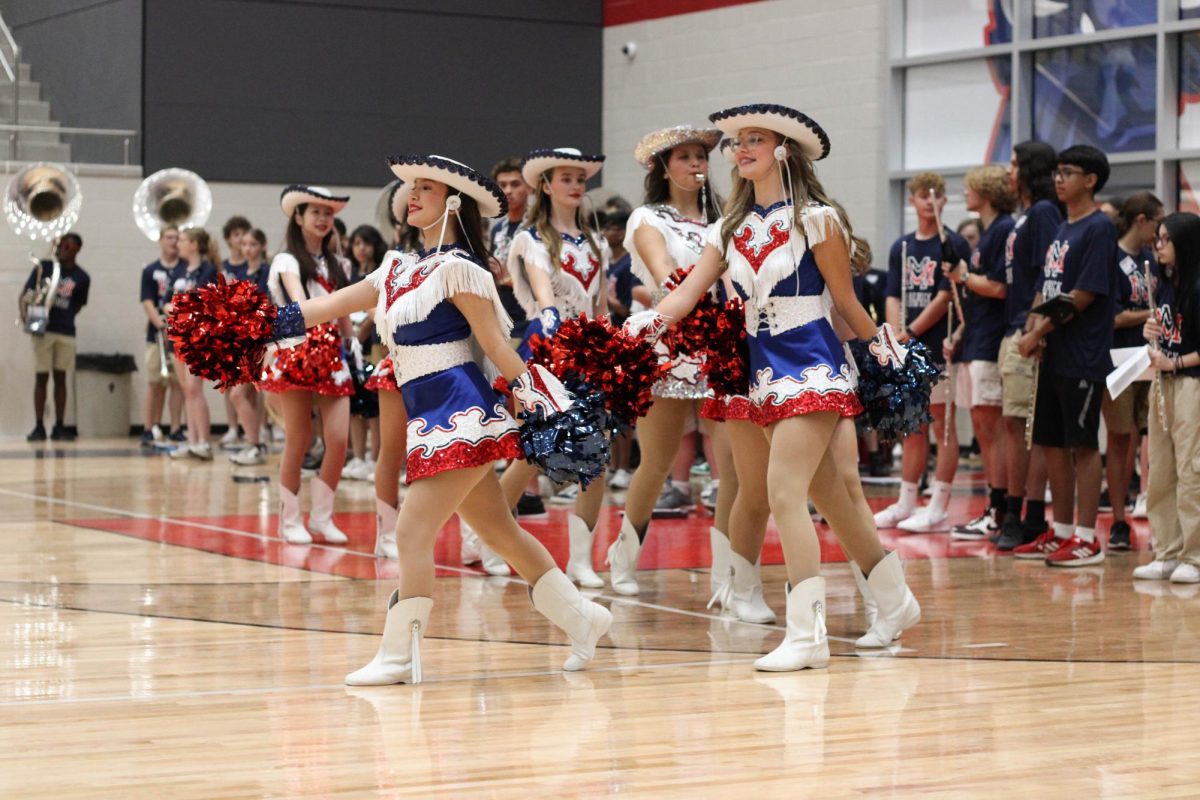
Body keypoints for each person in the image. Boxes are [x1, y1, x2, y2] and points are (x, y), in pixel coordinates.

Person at [268, 154, 611, 684]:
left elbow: (496, 345)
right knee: (499, 531)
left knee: (411, 531)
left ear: (453, 202)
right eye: (411, 188)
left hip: (461, 410)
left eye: (425, 188)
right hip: (427, 412)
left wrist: (546, 402)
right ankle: (583, 618)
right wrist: (258, 326)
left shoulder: (461, 269)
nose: (412, 196)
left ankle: (400, 655)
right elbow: (328, 306)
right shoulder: (395, 268)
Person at [635, 103, 921, 670]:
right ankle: (894, 600)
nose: (739, 151)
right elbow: (687, 292)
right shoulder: (730, 226)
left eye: (754, 141)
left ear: (783, 151)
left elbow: (844, 300)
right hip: (756, 367)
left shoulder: (817, 218)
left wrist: (887, 356)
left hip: (812, 360)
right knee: (831, 499)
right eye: (737, 143)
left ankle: (807, 635)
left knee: (784, 493)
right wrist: (638, 330)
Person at [496, 147, 610, 586]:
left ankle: (581, 558)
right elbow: (543, 288)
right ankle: (484, 535)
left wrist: (611, 347)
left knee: (597, 450)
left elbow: (600, 307)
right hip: (546, 346)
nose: (576, 185)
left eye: (580, 178)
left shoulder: (596, 242)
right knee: (533, 453)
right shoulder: (530, 239)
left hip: (590, 352)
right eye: (566, 178)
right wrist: (550, 314)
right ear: (545, 185)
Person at [1017, 145, 1117, 567]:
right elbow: (1048, 284)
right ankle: (1058, 532)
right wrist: (1031, 328)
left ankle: (1088, 537)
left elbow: (1082, 295)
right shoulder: (1062, 227)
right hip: (1053, 352)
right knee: (1051, 444)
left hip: (1082, 354)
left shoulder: (1099, 228)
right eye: (1056, 172)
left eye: (1068, 172)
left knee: (1082, 445)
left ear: (1090, 180)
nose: (1059, 179)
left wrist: (1039, 329)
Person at [259, 185, 355, 545]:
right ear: (298, 217)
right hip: (296, 350)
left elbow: (344, 316)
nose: (322, 219)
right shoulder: (286, 260)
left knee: (339, 439)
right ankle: (289, 520)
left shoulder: (339, 264)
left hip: (332, 353)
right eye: (315, 212)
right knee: (298, 438)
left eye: (328, 213)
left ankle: (323, 517)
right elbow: (301, 306)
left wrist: (354, 339)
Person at [873, 173, 967, 532]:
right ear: (911, 201)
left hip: (937, 346)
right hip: (908, 348)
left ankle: (939, 506)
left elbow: (945, 297)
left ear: (944, 201)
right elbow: (893, 293)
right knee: (911, 426)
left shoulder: (952, 243)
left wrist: (911, 332)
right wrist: (897, 334)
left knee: (942, 426)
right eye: (923, 196)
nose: (930, 202)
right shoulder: (902, 246)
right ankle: (905, 503)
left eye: (937, 195)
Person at [936, 165, 1017, 536]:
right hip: (977, 338)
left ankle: (999, 508)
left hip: (990, 341)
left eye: (970, 188)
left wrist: (965, 276)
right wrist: (961, 332)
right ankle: (993, 505)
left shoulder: (1002, 230)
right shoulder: (986, 234)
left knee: (992, 426)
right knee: (984, 429)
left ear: (986, 192)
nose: (965, 194)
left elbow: (1000, 288)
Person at [994, 140, 1061, 551]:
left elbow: (1048, 276)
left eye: (1016, 163)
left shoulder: (1044, 212)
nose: (1009, 170)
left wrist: (1034, 328)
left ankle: (1024, 516)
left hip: (1026, 329)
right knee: (1015, 425)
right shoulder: (1025, 215)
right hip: (1015, 327)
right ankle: (1019, 513)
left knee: (1024, 427)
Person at [1133, 212, 1200, 583]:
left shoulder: (1198, 286)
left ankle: (1195, 555)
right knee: (1160, 468)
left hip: (1191, 383)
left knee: (1192, 470)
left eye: (1165, 239)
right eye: (1157, 239)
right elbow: (1170, 333)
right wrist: (1150, 331)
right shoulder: (1165, 285)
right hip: (1165, 383)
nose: (1158, 245)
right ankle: (1168, 551)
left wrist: (1173, 362)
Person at [1104, 192, 1161, 550]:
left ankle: (1152, 511)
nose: (1159, 231)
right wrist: (1152, 315)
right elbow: (1114, 316)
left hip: (1150, 358)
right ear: (1141, 220)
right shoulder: (1112, 258)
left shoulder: (1151, 259)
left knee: (1150, 438)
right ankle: (1118, 519)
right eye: (1156, 222)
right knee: (1119, 439)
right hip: (1120, 359)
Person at [20, 233, 89, 441]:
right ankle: (39, 426)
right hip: (43, 329)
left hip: (65, 330)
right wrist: (27, 317)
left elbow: (77, 305)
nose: (63, 249)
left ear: (77, 249)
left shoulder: (82, 277)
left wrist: (63, 315)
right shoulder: (45, 267)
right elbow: (26, 294)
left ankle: (59, 425)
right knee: (41, 377)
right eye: (61, 245)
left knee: (61, 378)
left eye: (68, 246)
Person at [166, 228, 220, 460]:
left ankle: (204, 442)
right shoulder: (179, 269)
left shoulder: (207, 270)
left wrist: (180, 307)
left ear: (194, 244)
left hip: (198, 337)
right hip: (178, 334)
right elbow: (169, 301)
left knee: (195, 388)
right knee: (186, 390)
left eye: (183, 240)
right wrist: (170, 308)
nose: (178, 244)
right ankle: (192, 440)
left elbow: (204, 303)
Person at [342, 224, 389, 482]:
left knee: (374, 406)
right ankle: (358, 457)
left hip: (373, 344)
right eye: (357, 243)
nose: (361, 249)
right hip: (352, 347)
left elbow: (376, 308)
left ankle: (375, 458)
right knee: (355, 404)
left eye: (366, 243)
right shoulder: (349, 273)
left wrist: (362, 331)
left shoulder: (379, 273)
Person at [228, 228, 272, 466]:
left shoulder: (267, 273)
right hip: (245, 341)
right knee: (242, 395)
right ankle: (255, 443)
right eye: (244, 244)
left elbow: (265, 307)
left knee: (241, 394)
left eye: (253, 244)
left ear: (262, 246)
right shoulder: (243, 273)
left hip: (262, 342)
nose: (247, 249)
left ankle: (256, 443)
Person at [139, 225, 184, 446]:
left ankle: (176, 428)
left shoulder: (186, 269)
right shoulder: (150, 270)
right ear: (160, 240)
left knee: (178, 384)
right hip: (156, 333)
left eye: (177, 237)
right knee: (154, 382)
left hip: (180, 336)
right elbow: (146, 300)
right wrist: (159, 324)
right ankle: (149, 427)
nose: (173, 241)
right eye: (169, 237)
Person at [219, 216, 254, 448]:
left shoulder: (252, 266)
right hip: (228, 330)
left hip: (249, 331)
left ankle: (257, 429)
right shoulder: (223, 267)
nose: (241, 238)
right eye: (236, 234)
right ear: (229, 239)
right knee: (228, 382)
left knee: (252, 387)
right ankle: (233, 427)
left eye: (244, 233)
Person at [489, 158, 532, 340]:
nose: (508, 191)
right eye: (502, 185)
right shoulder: (498, 229)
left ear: (529, 187)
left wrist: (512, 277)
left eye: (515, 184)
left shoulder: (537, 227)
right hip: (502, 321)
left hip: (531, 320)